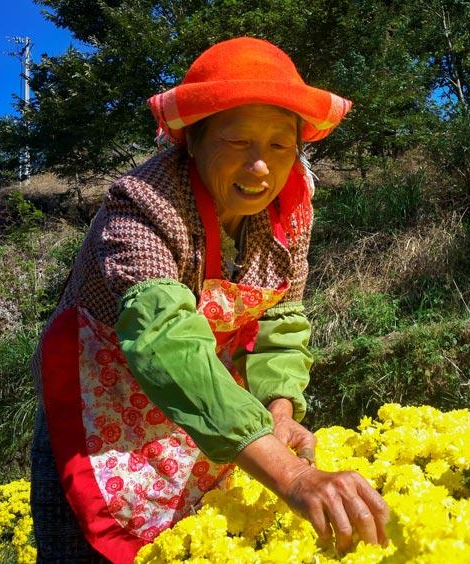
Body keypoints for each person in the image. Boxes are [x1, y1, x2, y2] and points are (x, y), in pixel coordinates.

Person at [31, 37, 388, 563]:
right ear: (192, 141)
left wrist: (280, 409)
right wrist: (289, 475)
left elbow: (281, 315)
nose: (260, 168)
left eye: (278, 145)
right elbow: (164, 341)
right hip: (98, 405)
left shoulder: (291, 210)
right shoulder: (143, 202)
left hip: (209, 408)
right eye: (238, 141)